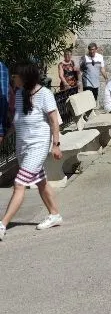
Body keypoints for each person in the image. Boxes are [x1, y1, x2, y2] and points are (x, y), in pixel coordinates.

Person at [0, 64, 63, 240]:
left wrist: (56, 144)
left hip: (38, 146)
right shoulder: (20, 94)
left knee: (19, 183)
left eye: (15, 76)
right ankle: (55, 215)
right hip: (23, 146)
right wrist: (5, 135)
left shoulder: (45, 94)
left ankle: (2, 224)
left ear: (25, 77)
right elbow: (17, 121)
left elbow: (54, 121)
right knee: (41, 182)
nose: (13, 79)